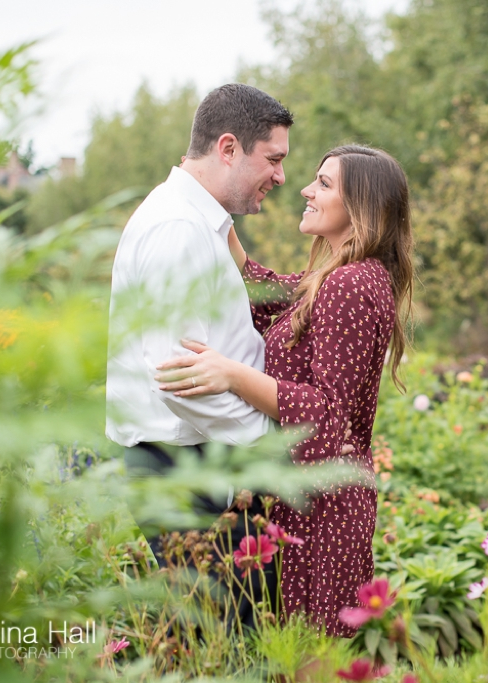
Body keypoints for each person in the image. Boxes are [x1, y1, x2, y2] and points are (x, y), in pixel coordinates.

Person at [154, 145, 414, 637]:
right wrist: (222, 231)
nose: (305, 190)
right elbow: (275, 298)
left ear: (362, 205)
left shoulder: (351, 284)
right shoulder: (339, 277)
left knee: (308, 660)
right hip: (318, 498)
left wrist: (232, 375)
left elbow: (328, 414)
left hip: (324, 510)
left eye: (324, 184)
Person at [105, 83, 293, 623]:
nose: (281, 177)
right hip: (184, 466)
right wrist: (262, 445)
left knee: (231, 639)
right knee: (228, 646)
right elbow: (177, 372)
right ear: (228, 148)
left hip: (198, 457)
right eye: (274, 159)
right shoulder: (178, 229)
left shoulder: (199, 224)